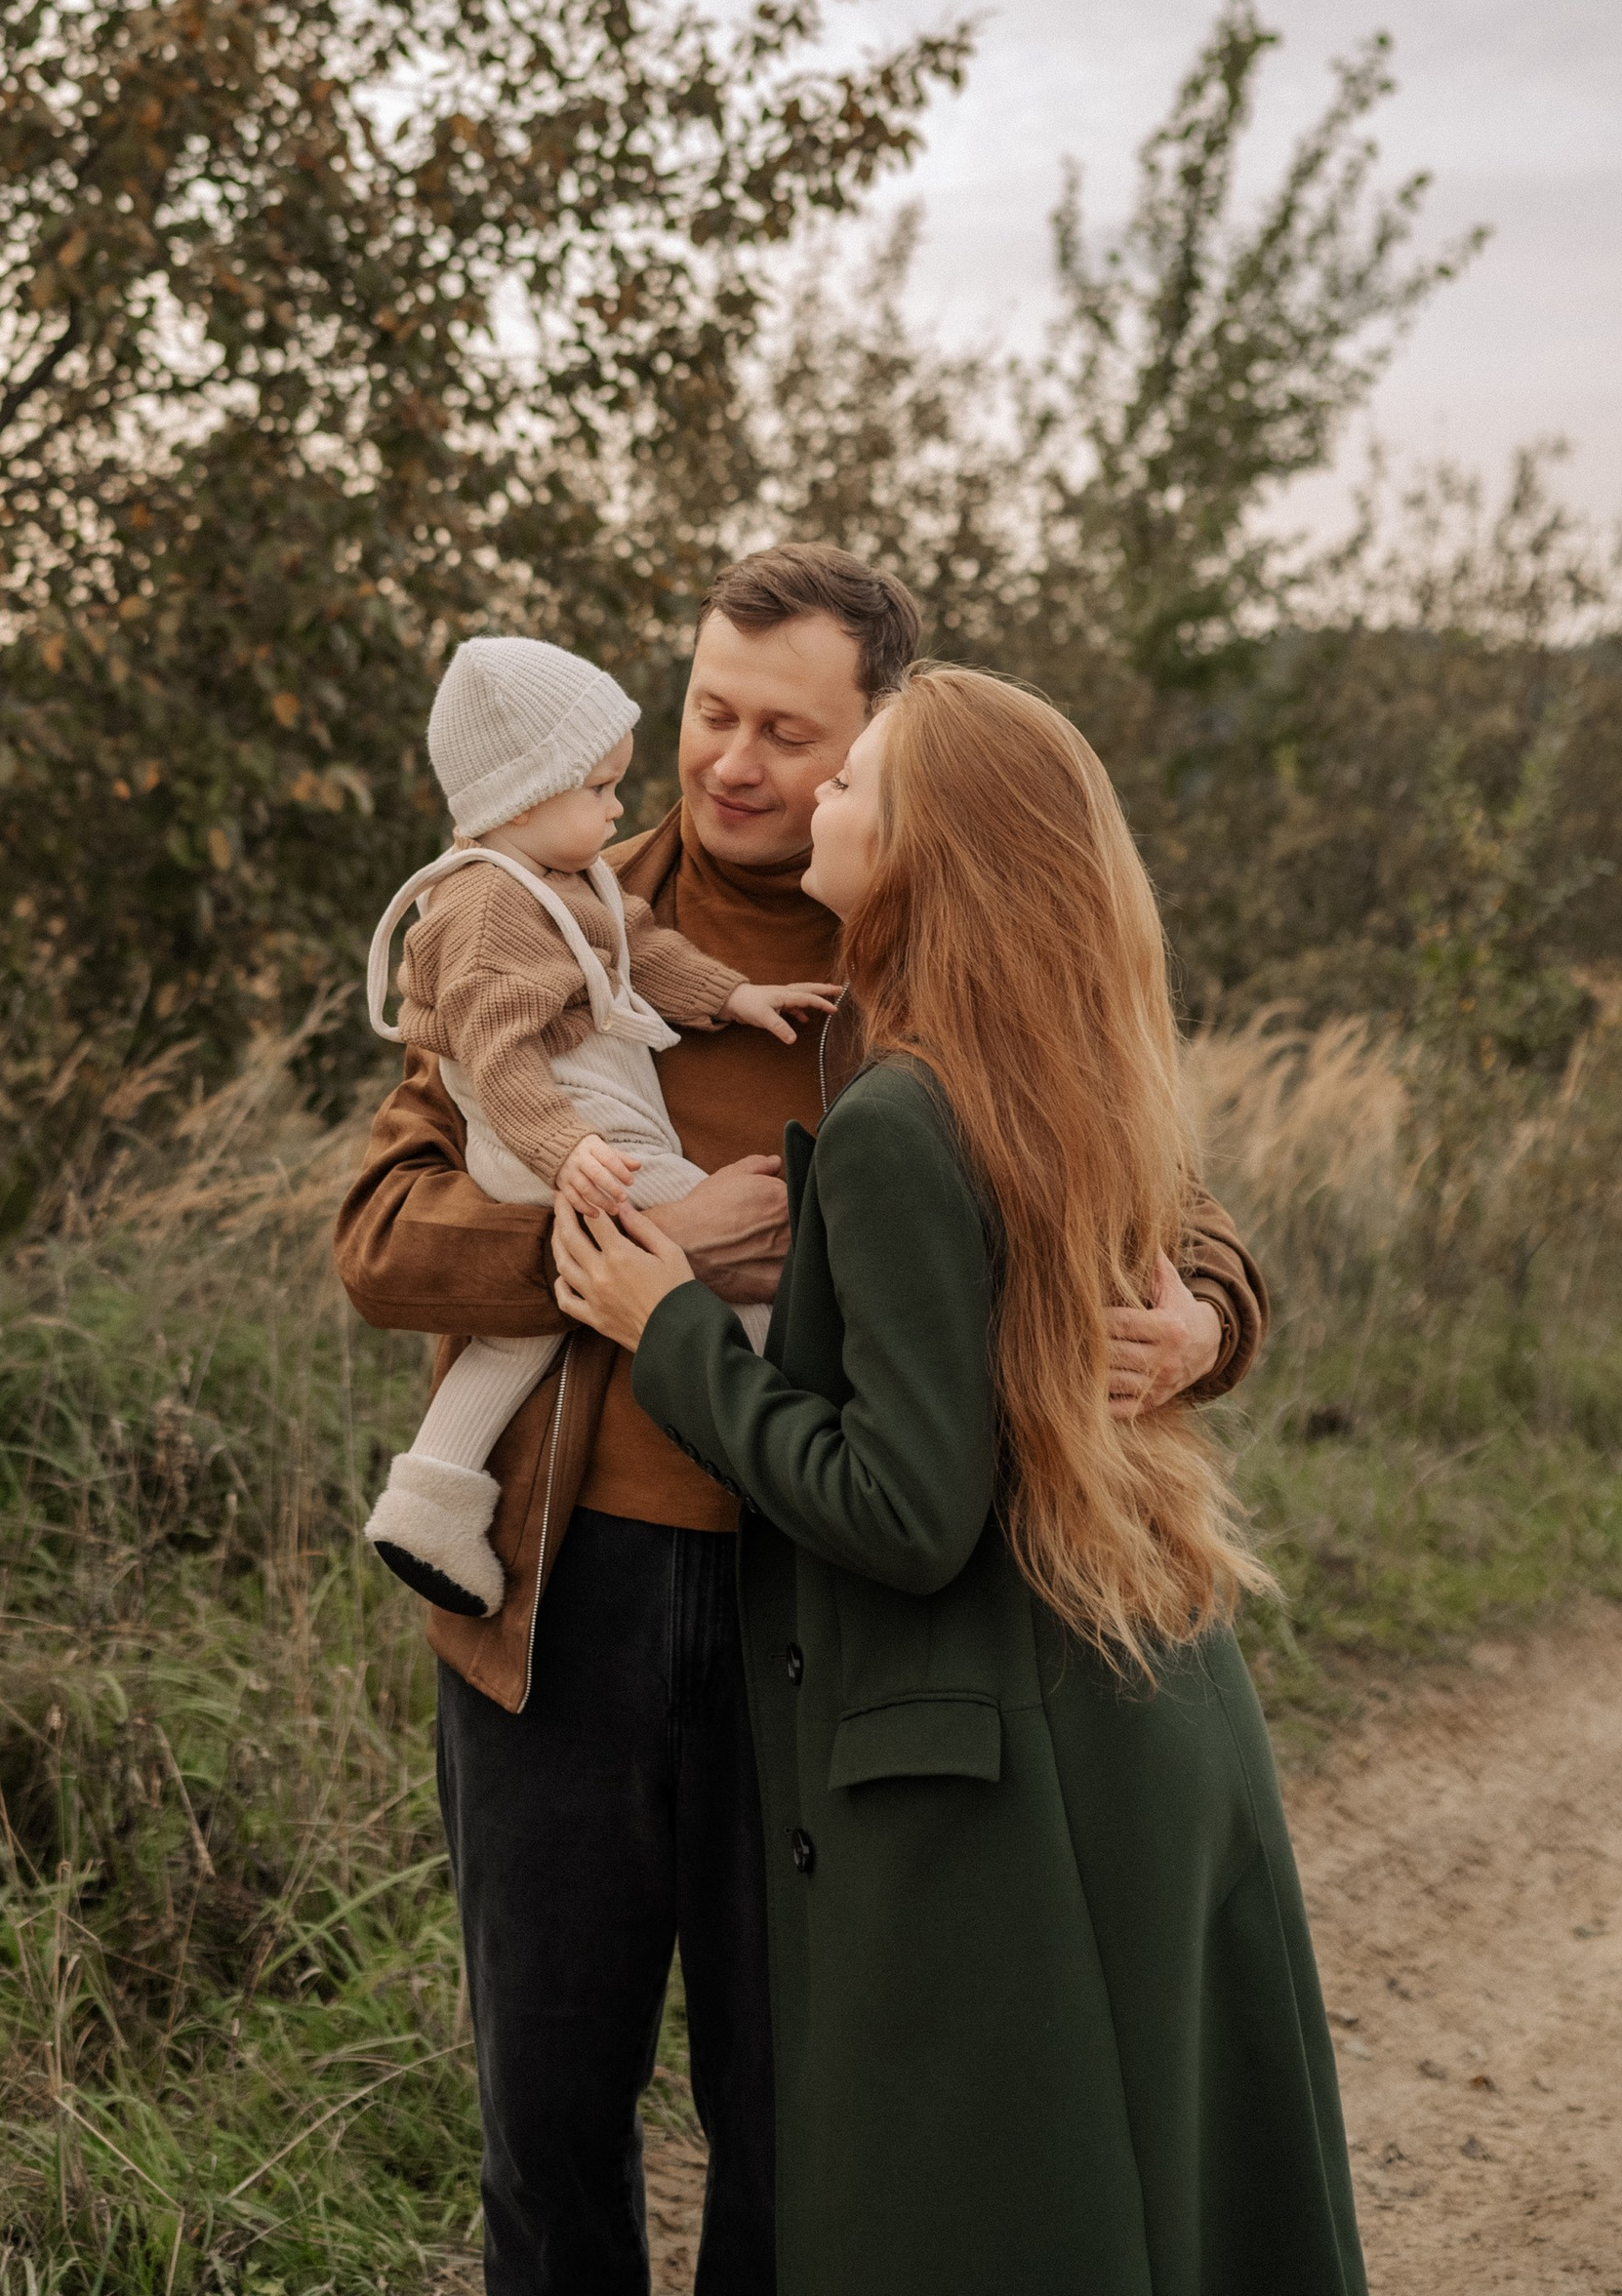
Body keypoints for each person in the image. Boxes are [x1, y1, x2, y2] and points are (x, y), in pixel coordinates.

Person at [334, 546, 1273, 2296]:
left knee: (796, 2121)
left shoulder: (926, 930)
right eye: (710, 712)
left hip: (826, 1615)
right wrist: (626, 1245)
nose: (733, 763)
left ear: (868, 747)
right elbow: (381, 1240)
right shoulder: (539, 909)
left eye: (790, 732)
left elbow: (1156, 1188)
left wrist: (1205, 1318)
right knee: (549, 2118)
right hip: (565, 1607)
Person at [554, 665, 1365, 2296]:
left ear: (927, 846)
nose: (817, 800)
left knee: (996, 2218)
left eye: (851, 780)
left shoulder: (904, 1116)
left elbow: (906, 1514)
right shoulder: (1078, 1064)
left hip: (1008, 1767)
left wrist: (670, 1331)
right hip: (1155, 1712)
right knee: (1163, 2203)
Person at [361, 633, 838, 1618]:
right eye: (711, 716)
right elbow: (492, 1066)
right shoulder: (492, 904)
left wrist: (737, 996)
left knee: (519, 1343)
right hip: (573, 1135)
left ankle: (430, 1491)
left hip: (783, 1610)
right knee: (763, 1271)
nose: (621, 804)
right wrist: (588, 1171)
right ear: (524, 799)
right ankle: (814, 1450)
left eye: (787, 733)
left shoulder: (572, 885)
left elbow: (642, 951)